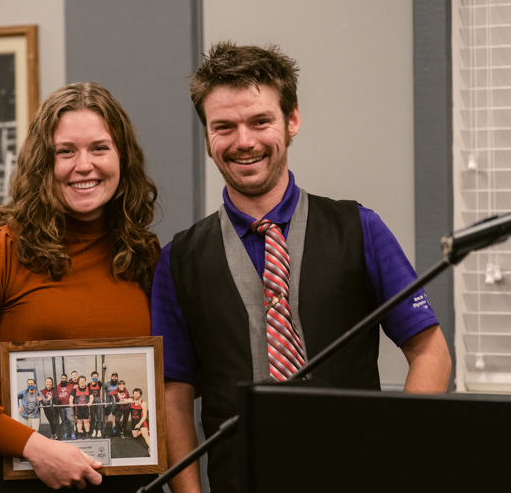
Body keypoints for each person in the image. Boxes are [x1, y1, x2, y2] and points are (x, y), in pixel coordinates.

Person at [150, 42, 452, 492]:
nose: (244, 141)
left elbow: (431, 352)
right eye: (224, 127)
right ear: (208, 136)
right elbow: (173, 396)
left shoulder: (359, 229)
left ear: (291, 120)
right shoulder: (179, 260)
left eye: (260, 121)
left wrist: (398, 454)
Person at [0, 81, 159, 491]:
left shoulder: (142, 253)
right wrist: (33, 446)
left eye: (100, 148)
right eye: (66, 151)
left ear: (122, 158)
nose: (84, 165)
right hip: (20, 480)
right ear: (43, 162)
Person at [128, 388, 150, 453]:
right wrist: (129, 401)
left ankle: (151, 448)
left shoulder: (143, 404)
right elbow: (125, 400)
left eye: (137, 394)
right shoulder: (131, 401)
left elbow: (144, 416)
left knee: (145, 436)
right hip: (134, 422)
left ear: (140, 395)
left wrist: (139, 424)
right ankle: (143, 431)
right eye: (134, 393)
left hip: (141, 421)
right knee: (135, 435)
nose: (135, 395)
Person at [56, 373, 75, 441]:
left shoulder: (71, 385)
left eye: (65, 378)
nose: (63, 380)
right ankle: (65, 432)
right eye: (62, 378)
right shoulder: (57, 386)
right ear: (61, 379)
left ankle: (72, 432)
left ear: (67, 379)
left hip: (69, 406)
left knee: (70, 420)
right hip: (61, 406)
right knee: (64, 421)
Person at [87, 371, 104, 438]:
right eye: (93, 376)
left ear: (97, 377)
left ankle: (99, 430)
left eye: (96, 376)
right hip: (92, 401)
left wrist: (104, 369)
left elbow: (103, 377)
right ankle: (94, 430)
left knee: (99, 417)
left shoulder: (99, 384)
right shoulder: (88, 385)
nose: (95, 377)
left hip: (98, 401)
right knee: (93, 417)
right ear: (91, 377)